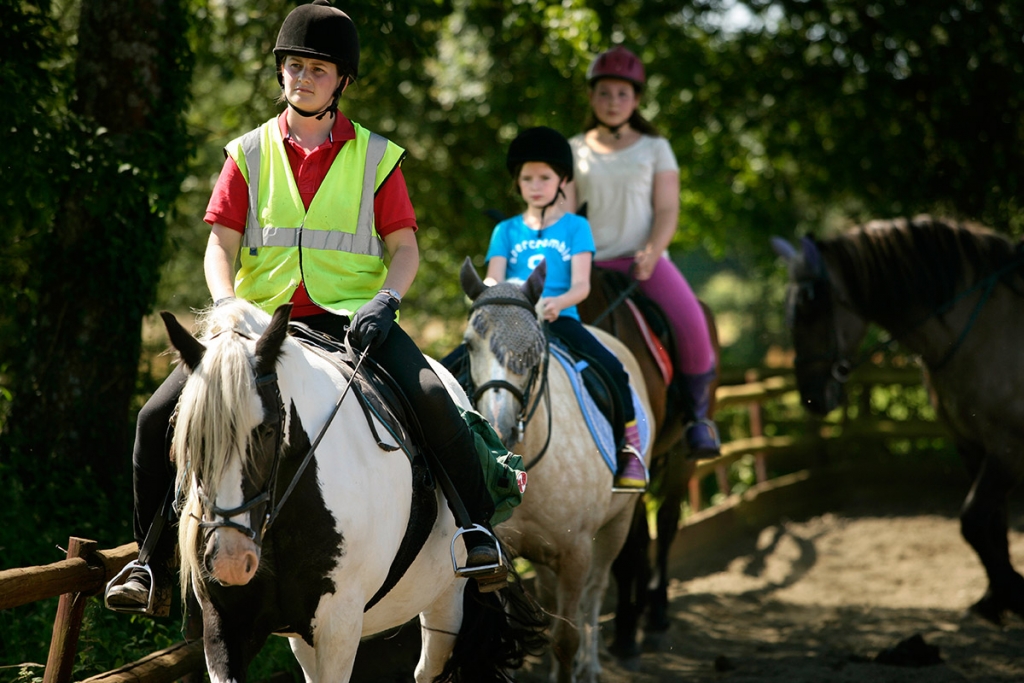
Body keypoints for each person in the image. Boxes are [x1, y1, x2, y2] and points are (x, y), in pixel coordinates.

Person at [105, 0, 502, 614]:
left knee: (430, 395)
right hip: (256, 325)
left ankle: (477, 534)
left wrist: (386, 301)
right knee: (155, 417)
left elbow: (404, 249)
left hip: (351, 320)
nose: (302, 77)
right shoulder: (246, 153)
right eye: (293, 65)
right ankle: (148, 563)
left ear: (342, 80)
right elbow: (220, 246)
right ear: (280, 72)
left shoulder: (376, 156)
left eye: (318, 68)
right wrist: (227, 306)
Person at [564, 46, 720, 457]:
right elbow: (563, 212)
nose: (613, 102)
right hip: (588, 265)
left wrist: (653, 250)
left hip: (643, 264)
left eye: (622, 94)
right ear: (592, 96)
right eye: (604, 93)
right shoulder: (573, 149)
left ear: (635, 100)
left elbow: (667, 208)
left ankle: (700, 418)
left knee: (693, 324)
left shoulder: (655, 148)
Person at [485, 126, 647, 491]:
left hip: (560, 319)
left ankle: (629, 450)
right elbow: (494, 280)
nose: (535, 185)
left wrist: (557, 303)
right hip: (511, 325)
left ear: (562, 180)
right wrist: (494, 299)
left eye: (545, 177)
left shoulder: (576, 228)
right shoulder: (505, 232)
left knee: (613, 369)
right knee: (452, 369)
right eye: (527, 178)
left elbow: (581, 286)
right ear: (518, 183)